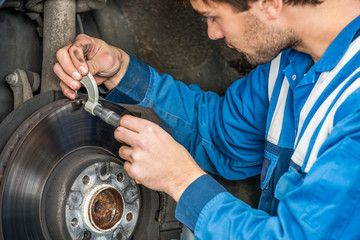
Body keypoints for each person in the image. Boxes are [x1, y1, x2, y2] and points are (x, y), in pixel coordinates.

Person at [54, 0, 360, 238]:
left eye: (214, 16)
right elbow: (219, 137)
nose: (213, 32)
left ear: (270, 3)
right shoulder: (291, 63)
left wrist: (181, 181)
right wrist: (121, 72)